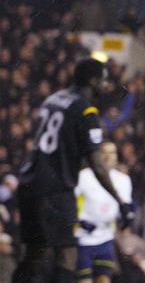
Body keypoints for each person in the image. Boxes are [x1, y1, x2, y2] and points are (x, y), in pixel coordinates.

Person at [13, 58, 135, 283]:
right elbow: (97, 164)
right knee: (67, 253)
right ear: (92, 81)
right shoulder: (86, 111)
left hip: (29, 184)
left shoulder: (54, 99)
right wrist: (121, 202)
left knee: (34, 254)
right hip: (55, 189)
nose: (105, 86)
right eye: (103, 80)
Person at [74, 141, 133, 283]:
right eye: (104, 152)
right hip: (84, 239)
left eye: (112, 152)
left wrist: (127, 220)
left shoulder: (124, 180)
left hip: (106, 238)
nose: (108, 156)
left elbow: (125, 208)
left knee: (104, 280)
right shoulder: (84, 176)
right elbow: (69, 203)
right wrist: (79, 221)